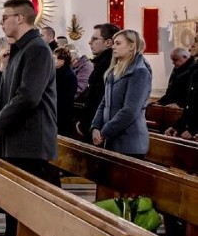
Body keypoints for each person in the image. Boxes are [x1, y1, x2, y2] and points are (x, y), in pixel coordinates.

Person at [0, 0, 57, 236]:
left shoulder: (37, 49)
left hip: (30, 141)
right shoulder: (19, 49)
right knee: (15, 204)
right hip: (16, 140)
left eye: (5, 17)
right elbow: (4, 94)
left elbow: (28, 96)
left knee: (28, 208)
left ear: (20, 18)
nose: (1, 22)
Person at [91, 30, 152, 158]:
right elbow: (104, 103)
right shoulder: (113, 71)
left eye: (118, 43)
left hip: (130, 143)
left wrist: (105, 132)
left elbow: (130, 111)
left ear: (131, 46)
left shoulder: (139, 72)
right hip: (112, 139)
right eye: (114, 43)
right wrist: (95, 126)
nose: (113, 47)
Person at [76, 23, 120, 140]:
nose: (90, 42)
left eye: (94, 39)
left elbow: (100, 99)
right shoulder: (101, 63)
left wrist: (86, 124)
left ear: (108, 43)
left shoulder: (108, 66)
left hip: (99, 129)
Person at [53, 47, 78, 136]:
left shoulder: (69, 76)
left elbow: (65, 99)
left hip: (62, 115)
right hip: (55, 112)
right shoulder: (57, 72)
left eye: (55, 58)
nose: (52, 60)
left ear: (62, 61)